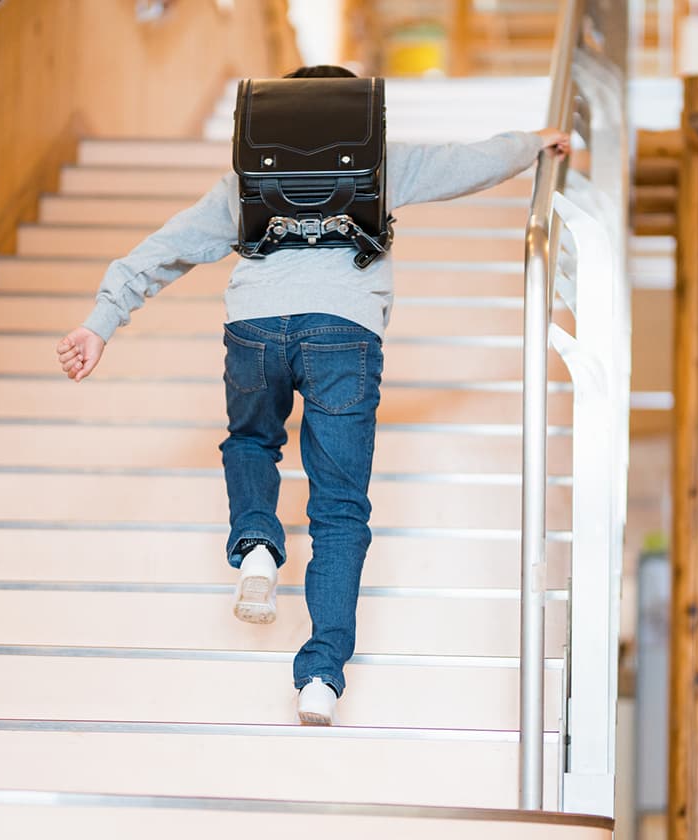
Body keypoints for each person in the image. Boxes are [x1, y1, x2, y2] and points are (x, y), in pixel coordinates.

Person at [55, 64, 570, 726]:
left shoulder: (247, 180)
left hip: (255, 327)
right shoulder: (381, 164)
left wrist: (101, 321)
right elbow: (466, 162)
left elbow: (167, 248)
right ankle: (321, 676)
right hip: (345, 332)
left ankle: (260, 544)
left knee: (250, 440)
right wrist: (533, 142)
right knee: (339, 511)